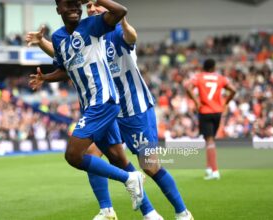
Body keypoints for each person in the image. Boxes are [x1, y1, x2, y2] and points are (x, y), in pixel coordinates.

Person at [27, 2, 194, 220]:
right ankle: (121, 211)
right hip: (106, 108)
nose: (93, 8)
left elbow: (131, 36)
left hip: (132, 108)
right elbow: (67, 56)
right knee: (95, 154)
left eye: (97, 4)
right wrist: (42, 46)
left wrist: (122, 21)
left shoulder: (113, 31)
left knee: (150, 167)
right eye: (89, 5)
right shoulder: (82, 32)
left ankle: (182, 212)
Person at [28, 0, 146, 216]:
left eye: (77, 3)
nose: (74, 7)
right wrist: (45, 77)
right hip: (90, 105)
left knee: (73, 155)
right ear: (58, 10)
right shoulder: (58, 37)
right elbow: (66, 70)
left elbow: (120, 11)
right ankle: (145, 212)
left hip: (103, 101)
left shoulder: (92, 25)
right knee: (117, 158)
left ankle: (129, 178)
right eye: (68, 4)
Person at [185, 58, 236, 180]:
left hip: (205, 111)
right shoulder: (220, 78)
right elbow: (233, 90)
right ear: (214, 68)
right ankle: (209, 168)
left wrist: (196, 102)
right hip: (218, 111)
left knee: (209, 141)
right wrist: (225, 103)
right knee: (210, 140)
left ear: (204, 67)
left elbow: (188, 88)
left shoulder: (199, 77)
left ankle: (215, 171)